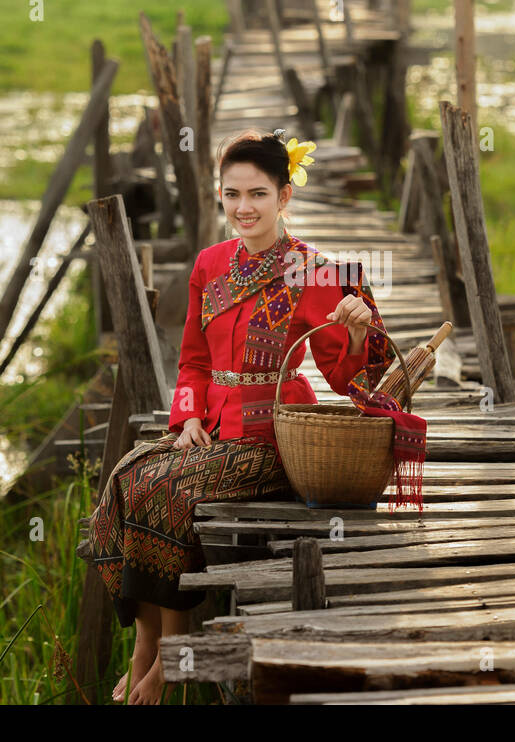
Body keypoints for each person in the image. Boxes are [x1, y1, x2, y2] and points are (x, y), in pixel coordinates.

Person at [76, 129, 423, 705]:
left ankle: (166, 658)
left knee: (167, 490)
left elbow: (349, 382)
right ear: (219, 194)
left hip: (273, 438)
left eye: (258, 193)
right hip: (210, 428)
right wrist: (186, 417)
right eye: (232, 193)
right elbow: (191, 361)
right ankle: (150, 639)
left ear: (284, 196)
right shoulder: (210, 264)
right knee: (125, 480)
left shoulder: (316, 272)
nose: (244, 207)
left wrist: (357, 332)